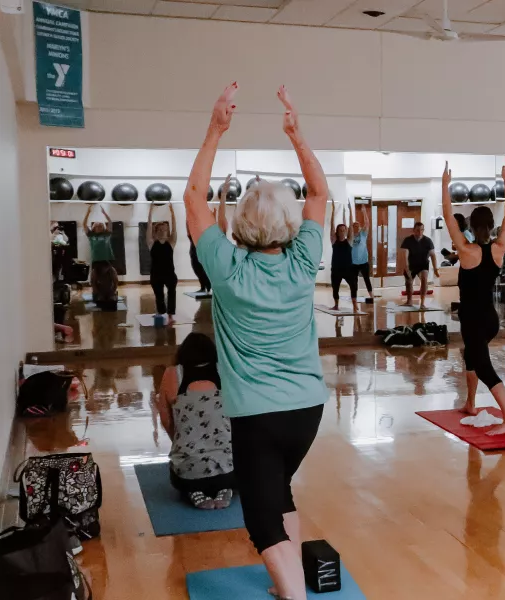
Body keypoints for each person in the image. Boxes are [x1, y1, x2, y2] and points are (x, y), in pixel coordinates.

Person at [185, 83, 330, 600]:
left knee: (261, 518)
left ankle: (295, 596)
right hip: (307, 412)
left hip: (257, 417)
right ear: (288, 225)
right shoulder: (302, 261)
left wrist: (215, 129)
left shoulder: (224, 268)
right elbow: (318, 192)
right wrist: (296, 134)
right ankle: (284, 585)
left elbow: (193, 199)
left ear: (242, 224)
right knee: (279, 492)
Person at [441, 159, 505, 435]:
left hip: (473, 319)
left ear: (471, 226)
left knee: (484, 367)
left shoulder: (465, 250)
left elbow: (447, 214)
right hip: (490, 319)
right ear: (490, 226)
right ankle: (470, 403)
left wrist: (445, 186)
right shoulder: (499, 248)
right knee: (472, 358)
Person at [154, 332, 234, 509]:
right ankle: (226, 487)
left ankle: (194, 489)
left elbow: (166, 420)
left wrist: (182, 441)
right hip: (230, 470)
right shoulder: (225, 371)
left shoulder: (172, 374)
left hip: (187, 473)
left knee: (186, 467)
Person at [190, 183, 228, 296]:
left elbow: (222, 214)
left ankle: (211, 288)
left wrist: (224, 195)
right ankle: (205, 288)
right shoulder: (205, 233)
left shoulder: (220, 231)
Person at [147, 200, 179, 324]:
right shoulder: (151, 243)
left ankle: (170, 315)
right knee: (159, 295)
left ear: (167, 231)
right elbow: (149, 226)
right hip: (156, 274)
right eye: (160, 229)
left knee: (172, 294)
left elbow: (175, 228)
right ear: (156, 231)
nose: (163, 231)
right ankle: (160, 313)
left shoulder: (171, 243)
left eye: (165, 229)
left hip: (170, 274)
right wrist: (150, 210)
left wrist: (172, 212)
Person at [83, 202, 118, 302]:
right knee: (95, 275)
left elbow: (110, 223)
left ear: (103, 227)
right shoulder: (91, 236)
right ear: (94, 228)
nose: (99, 227)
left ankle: (113, 291)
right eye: (97, 226)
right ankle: (96, 292)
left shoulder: (107, 234)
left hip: (107, 258)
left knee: (112, 274)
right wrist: (88, 212)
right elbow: (84, 224)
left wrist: (105, 213)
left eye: (101, 226)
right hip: (96, 259)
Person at [399, 222, 437, 309]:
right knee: (408, 282)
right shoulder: (407, 240)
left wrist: (435, 269)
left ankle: (422, 303)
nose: (420, 232)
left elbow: (433, 255)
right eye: (417, 230)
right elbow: (405, 254)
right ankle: (409, 301)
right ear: (414, 230)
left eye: (421, 230)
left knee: (424, 279)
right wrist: (406, 267)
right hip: (411, 264)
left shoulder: (428, 241)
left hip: (423, 264)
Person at [328, 203, 357, 312]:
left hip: (348, 269)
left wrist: (350, 212)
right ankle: (336, 305)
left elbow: (351, 227)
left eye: (344, 230)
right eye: (340, 230)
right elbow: (331, 225)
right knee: (335, 288)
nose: (343, 231)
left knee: (353, 286)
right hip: (336, 269)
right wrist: (333, 211)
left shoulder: (349, 241)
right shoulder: (334, 241)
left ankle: (355, 306)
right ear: (337, 232)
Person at [350, 208, 373, 299]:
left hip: (364, 262)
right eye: (354, 226)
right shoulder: (350, 236)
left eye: (358, 226)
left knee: (367, 279)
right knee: (354, 281)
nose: (357, 227)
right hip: (353, 263)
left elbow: (367, 223)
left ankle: (371, 296)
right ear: (352, 228)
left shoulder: (363, 234)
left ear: (359, 227)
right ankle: (354, 297)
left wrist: (364, 212)